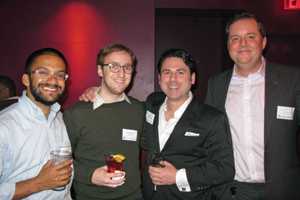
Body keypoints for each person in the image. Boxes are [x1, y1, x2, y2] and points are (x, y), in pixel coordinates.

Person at [205, 12, 300, 200]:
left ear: (263, 42)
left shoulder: (292, 80)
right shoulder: (216, 85)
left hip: (283, 190)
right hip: (233, 190)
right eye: (235, 38)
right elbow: (208, 136)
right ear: (228, 46)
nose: (242, 44)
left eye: (250, 36)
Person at [141, 48, 234, 200]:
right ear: (159, 78)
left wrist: (177, 176)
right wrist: (96, 92)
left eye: (180, 72)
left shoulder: (211, 118)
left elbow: (224, 169)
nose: (173, 79)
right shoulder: (152, 103)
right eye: (167, 72)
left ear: (192, 78)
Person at [63, 43, 145, 200]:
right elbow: (60, 162)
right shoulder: (76, 113)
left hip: (133, 196)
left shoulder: (138, 109)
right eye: (114, 66)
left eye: (127, 67)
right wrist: (91, 175)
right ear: (100, 70)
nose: (121, 74)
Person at [0, 48, 73, 199]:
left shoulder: (61, 119)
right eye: (43, 72)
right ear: (26, 79)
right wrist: (38, 183)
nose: (53, 80)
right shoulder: (4, 126)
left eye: (59, 75)